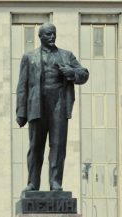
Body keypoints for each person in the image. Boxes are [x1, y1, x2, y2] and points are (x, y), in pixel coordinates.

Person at [15, 22, 89, 192]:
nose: (52, 37)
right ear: (40, 37)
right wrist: (21, 112)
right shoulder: (29, 57)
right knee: (35, 147)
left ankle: (55, 182)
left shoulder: (66, 55)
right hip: (37, 107)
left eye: (54, 34)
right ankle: (33, 183)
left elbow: (84, 74)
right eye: (48, 34)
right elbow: (22, 86)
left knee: (58, 146)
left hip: (59, 106)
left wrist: (72, 73)